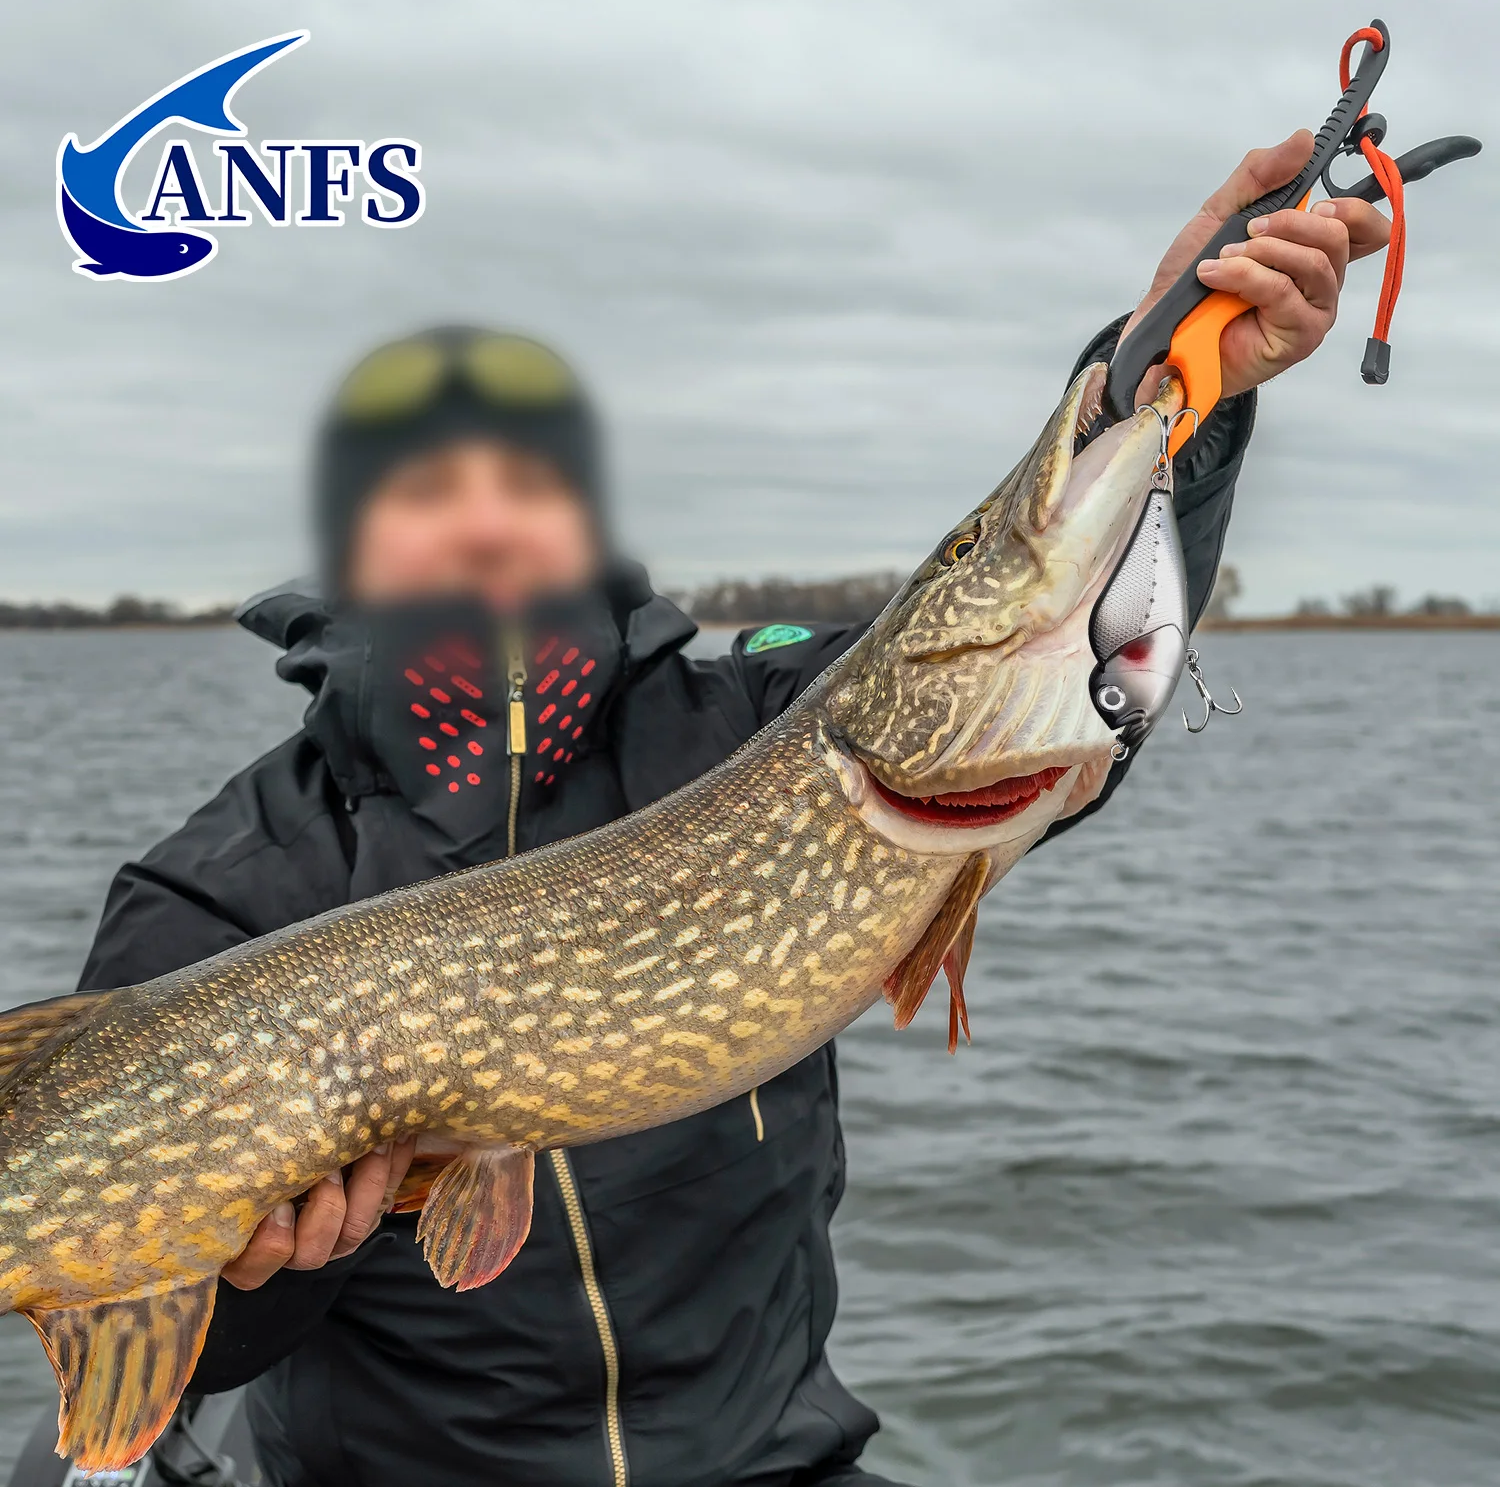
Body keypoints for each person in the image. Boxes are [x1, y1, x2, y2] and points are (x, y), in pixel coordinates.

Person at [75, 133, 1389, 1487]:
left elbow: (1077, 660)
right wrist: (277, 1266)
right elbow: (180, 1341)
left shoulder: (766, 733)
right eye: (427, 494)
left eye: (526, 485)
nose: (484, 525)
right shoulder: (218, 889)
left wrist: (1168, 381)